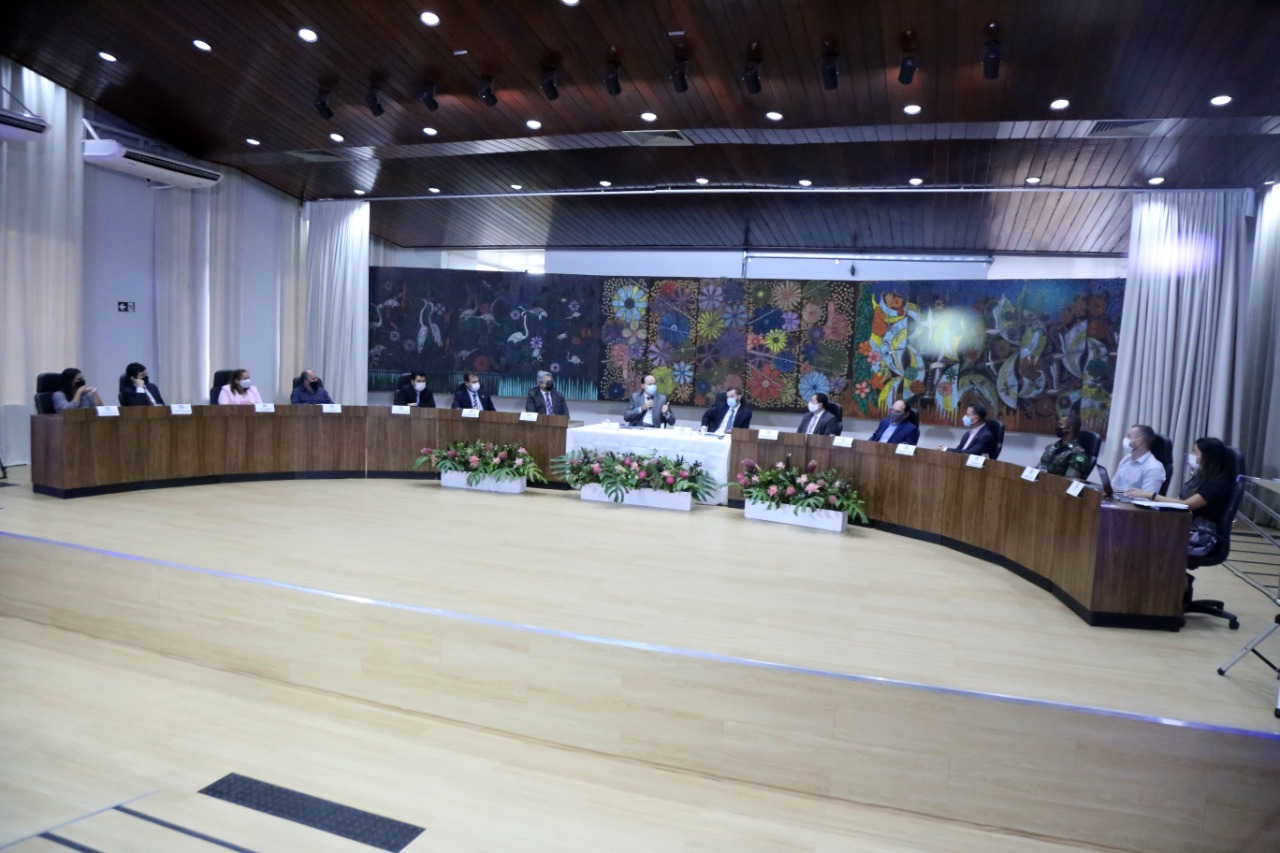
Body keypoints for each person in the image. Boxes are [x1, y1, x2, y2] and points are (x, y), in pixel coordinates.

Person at [1127, 437, 1236, 557]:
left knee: (1142, 542)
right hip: (1187, 526)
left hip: (1200, 535)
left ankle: (1161, 573)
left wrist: (1150, 495)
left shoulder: (1218, 482)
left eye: (1195, 452)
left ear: (1207, 456)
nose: (1193, 455)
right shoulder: (1202, 476)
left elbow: (1186, 504)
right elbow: (1181, 500)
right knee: (1137, 535)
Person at [1111, 424, 1166, 495]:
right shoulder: (1126, 459)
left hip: (1130, 505)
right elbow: (1113, 485)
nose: (1125, 439)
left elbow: (1147, 500)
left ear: (1139, 441)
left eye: (1129, 436)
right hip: (1116, 501)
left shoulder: (1154, 468)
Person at [1037, 412, 1092, 478]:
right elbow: (1038, 468)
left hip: (1055, 487)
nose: (1057, 427)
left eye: (1060, 424)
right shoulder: (1051, 447)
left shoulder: (1077, 454)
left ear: (1069, 428)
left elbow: (1068, 482)